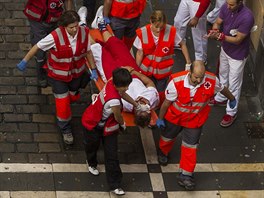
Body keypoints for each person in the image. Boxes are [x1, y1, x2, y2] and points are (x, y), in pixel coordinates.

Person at [16, 10, 98, 145]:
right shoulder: (55, 36)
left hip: (76, 74)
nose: (75, 29)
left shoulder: (84, 32)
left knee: (73, 95)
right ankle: (65, 128)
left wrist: (93, 69)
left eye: (76, 26)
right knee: (63, 101)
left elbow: (88, 51)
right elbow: (38, 47)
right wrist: (25, 60)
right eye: (71, 27)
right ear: (64, 27)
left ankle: (71, 98)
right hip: (58, 76)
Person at [156, 61, 236, 190]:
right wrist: (160, 118)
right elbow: (166, 103)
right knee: (167, 137)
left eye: (201, 77)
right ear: (190, 73)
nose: (199, 80)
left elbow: (222, 89)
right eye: (196, 77)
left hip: (195, 119)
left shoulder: (211, 80)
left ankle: (186, 175)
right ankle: (163, 152)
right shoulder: (176, 82)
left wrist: (232, 98)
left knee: (190, 147)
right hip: (175, 117)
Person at [82, 68, 135, 196]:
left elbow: (123, 94)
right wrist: (123, 125)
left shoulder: (112, 82)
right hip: (93, 124)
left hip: (105, 125)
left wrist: (136, 104)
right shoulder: (114, 101)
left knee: (112, 156)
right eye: (125, 86)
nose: (127, 88)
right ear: (117, 85)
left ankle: (115, 184)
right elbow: (118, 117)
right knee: (92, 146)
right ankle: (91, 163)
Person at [90, 29, 160, 127]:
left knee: (97, 50)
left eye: (139, 110)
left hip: (114, 76)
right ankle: (103, 28)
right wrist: (133, 71)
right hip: (132, 72)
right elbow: (149, 83)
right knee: (117, 45)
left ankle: (84, 30)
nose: (141, 105)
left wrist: (118, 74)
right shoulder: (153, 98)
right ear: (148, 110)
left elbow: (112, 90)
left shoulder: (125, 105)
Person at [207, 0, 254, 127]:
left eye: (232, 5)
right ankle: (222, 98)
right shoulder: (226, 6)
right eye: (227, 3)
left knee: (234, 84)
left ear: (240, 3)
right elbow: (217, 22)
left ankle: (231, 112)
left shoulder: (247, 17)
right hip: (225, 49)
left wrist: (221, 37)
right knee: (222, 76)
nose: (228, 6)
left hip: (237, 56)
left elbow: (238, 39)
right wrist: (214, 30)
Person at [134, 10, 192, 103]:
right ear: (151, 21)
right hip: (146, 70)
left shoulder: (170, 31)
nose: (158, 30)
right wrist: (136, 69)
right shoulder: (143, 32)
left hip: (162, 72)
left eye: (161, 27)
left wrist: (188, 62)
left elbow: (182, 44)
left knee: (160, 93)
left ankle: (157, 107)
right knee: (146, 91)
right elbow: (140, 52)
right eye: (156, 27)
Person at [23, 0, 73, 88]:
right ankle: (41, 75)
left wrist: (69, 16)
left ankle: (56, 71)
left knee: (58, 45)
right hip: (37, 20)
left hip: (55, 19)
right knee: (40, 51)